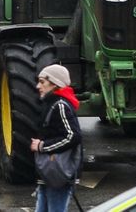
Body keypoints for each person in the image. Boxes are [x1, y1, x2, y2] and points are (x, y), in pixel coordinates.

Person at [31, 64, 82, 212]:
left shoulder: (60, 105)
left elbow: (73, 136)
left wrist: (42, 146)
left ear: (55, 84)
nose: (38, 86)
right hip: (50, 175)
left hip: (57, 175)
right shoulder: (53, 104)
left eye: (42, 82)